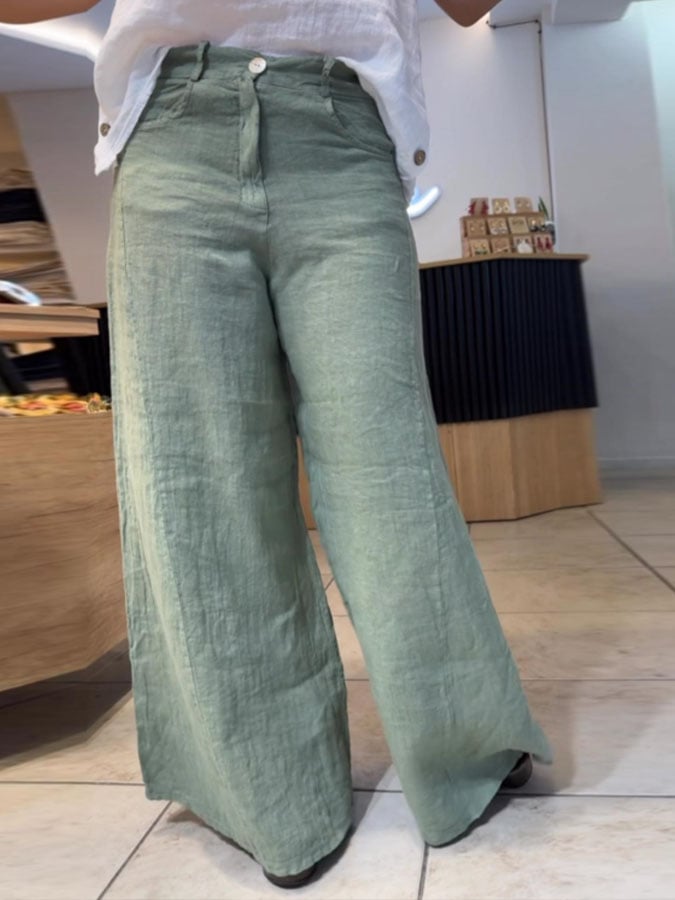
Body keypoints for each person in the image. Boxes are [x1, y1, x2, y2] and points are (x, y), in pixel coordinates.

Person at [2, 0, 552, 889]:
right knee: (202, 485)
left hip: (341, 131)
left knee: (387, 474)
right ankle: (267, 789)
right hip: (173, 135)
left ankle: (461, 739)